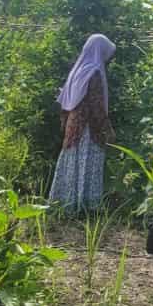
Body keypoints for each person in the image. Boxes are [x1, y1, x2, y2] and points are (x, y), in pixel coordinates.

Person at [49, 33, 116, 210]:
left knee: (72, 161)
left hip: (73, 125)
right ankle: (85, 206)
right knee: (88, 161)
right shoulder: (94, 72)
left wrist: (65, 122)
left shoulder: (78, 70)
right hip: (88, 127)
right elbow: (96, 104)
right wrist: (107, 128)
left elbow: (66, 101)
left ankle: (65, 203)